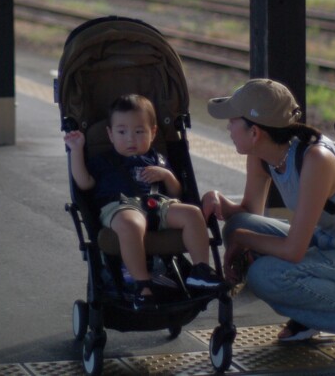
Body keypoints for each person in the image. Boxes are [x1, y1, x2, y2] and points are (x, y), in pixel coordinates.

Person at [201, 79, 335, 358]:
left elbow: (293, 250)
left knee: (264, 275)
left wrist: (243, 240)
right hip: (328, 242)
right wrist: (221, 203)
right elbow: (249, 212)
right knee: (238, 225)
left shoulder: (316, 160)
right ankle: (312, 315)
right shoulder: (263, 155)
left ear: (255, 132)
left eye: (233, 121)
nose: (228, 127)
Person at [64, 93, 223, 310]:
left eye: (139, 132)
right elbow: (84, 183)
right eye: (122, 132)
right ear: (110, 134)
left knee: (193, 213)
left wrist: (167, 176)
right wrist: (76, 151)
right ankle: (142, 285)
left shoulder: (157, 159)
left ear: (153, 132)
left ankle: (201, 271)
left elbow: (176, 192)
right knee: (132, 223)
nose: (130, 139)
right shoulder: (103, 161)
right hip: (120, 206)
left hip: (157, 204)